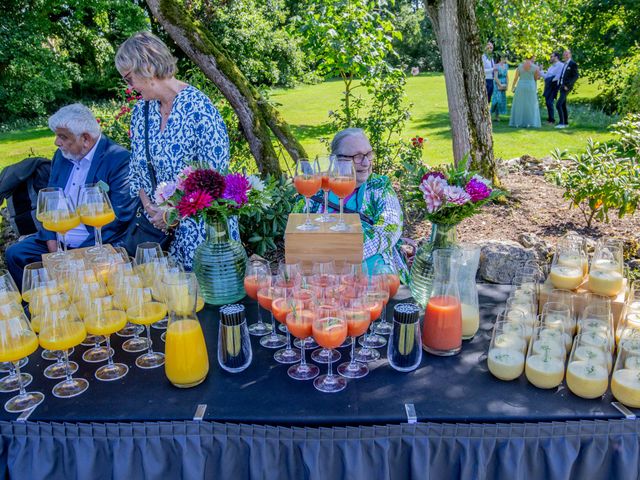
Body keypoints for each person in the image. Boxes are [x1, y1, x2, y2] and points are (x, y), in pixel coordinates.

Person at [115, 31, 232, 270]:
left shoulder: (199, 108)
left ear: (146, 67)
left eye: (128, 79)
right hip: (158, 235)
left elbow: (215, 179)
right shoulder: (141, 112)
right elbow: (137, 169)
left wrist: (174, 214)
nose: (131, 87)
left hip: (201, 234)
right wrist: (150, 208)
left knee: (203, 302)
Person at [5, 104, 137, 287]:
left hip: (98, 241)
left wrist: (76, 255)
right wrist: (52, 244)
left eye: (63, 137)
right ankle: (36, 306)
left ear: (85, 138)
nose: (56, 142)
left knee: (80, 275)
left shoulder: (119, 160)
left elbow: (119, 218)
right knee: (17, 254)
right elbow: (50, 202)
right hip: (58, 238)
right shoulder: (61, 156)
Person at [293, 128, 410, 283]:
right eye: (357, 156)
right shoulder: (317, 187)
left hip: (372, 276)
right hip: (319, 278)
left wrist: (339, 255)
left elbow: (389, 229)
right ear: (334, 160)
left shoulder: (379, 187)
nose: (366, 162)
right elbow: (294, 231)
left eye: (368, 154)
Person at [509, 56, 542, 128]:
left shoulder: (520, 66)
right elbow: (536, 78)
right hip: (530, 86)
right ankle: (530, 122)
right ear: (532, 58)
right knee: (530, 104)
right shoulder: (535, 67)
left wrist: (513, 87)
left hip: (521, 85)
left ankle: (518, 122)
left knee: (519, 104)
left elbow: (515, 78)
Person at [556, 49, 579, 129]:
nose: (565, 55)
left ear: (570, 55)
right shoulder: (564, 64)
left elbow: (576, 76)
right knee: (563, 105)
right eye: (564, 54)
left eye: (567, 54)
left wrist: (568, 86)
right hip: (562, 86)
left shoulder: (573, 64)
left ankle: (561, 123)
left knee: (558, 104)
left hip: (566, 87)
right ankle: (565, 123)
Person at [542, 52, 564, 124]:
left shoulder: (561, 65)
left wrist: (550, 79)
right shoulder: (551, 67)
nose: (550, 58)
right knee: (547, 103)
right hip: (548, 85)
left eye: (552, 56)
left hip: (554, 86)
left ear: (556, 57)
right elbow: (546, 76)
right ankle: (550, 119)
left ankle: (552, 120)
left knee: (549, 102)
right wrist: (540, 70)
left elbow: (558, 76)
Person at [491, 55, 509, 122]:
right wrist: (500, 85)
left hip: (504, 83)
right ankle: (490, 112)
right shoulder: (496, 66)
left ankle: (497, 116)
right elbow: (495, 77)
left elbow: (507, 76)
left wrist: (507, 85)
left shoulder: (506, 66)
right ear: (501, 58)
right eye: (504, 57)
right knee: (496, 100)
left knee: (501, 100)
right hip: (497, 84)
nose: (506, 59)